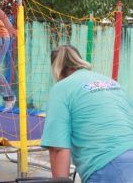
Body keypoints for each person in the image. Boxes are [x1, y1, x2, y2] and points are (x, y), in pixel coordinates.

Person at [41, 45, 133, 183]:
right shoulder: (111, 83)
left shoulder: (61, 88)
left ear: (56, 69)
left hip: (107, 165)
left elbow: (57, 147)